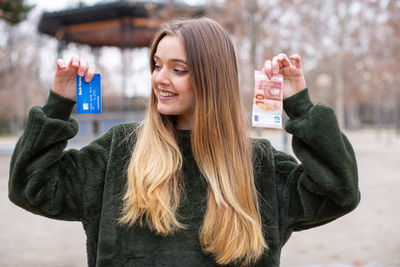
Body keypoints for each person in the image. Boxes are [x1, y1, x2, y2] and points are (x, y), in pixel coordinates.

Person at [8, 17, 360, 267]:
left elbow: (339, 192)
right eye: (157, 65)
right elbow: (30, 187)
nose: (160, 78)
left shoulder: (259, 165)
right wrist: (58, 102)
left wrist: (299, 105)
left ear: (212, 80)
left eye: (178, 69)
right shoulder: (120, 149)